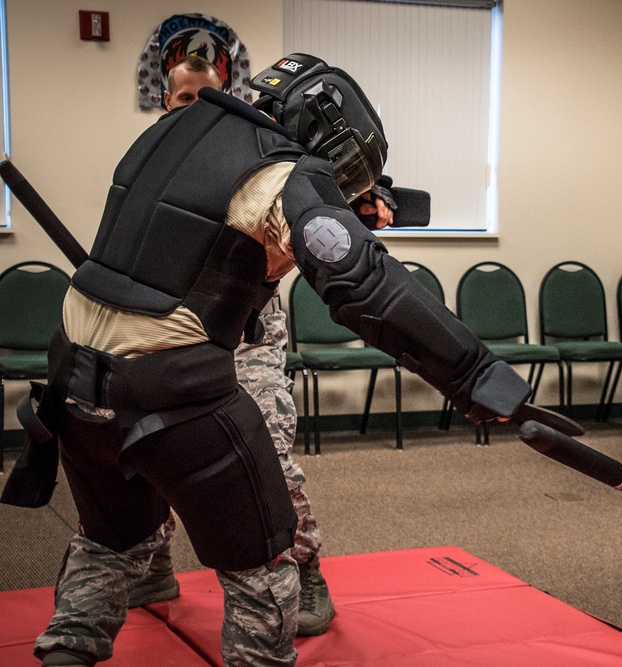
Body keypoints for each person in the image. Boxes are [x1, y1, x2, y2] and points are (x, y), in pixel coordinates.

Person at [31, 52, 532, 667]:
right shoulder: (281, 169)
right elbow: (366, 286)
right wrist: (476, 374)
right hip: (172, 386)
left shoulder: (163, 133)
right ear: (324, 127)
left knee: (107, 542)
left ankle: (67, 651)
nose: (343, 179)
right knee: (263, 565)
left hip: (74, 378)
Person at [125, 54, 336, 638]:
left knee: (267, 458)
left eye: (208, 98)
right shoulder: (148, 159)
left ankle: (307, 569)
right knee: (150, 448)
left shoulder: (249, 155)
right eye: (185, 97)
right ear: (167, 101)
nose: (196, 109)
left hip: (245, 331)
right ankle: (153, 564)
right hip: (165, 330)